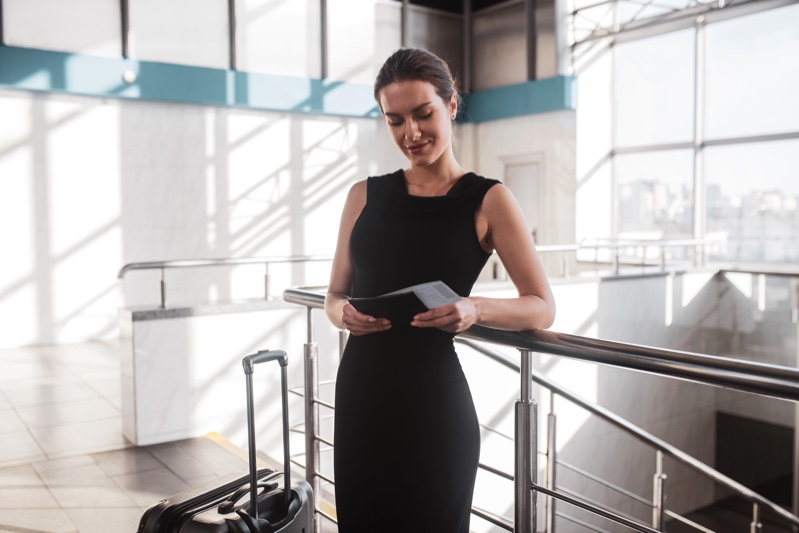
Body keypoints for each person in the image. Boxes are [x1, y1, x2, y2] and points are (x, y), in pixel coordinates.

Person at [324, 48, 556, 532]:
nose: (411, 133)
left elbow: (542, 306)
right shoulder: (362, 195)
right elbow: (333, 295)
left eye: (423, 114)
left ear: (451, 106)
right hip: (360, 403)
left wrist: (474, 309)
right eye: (395, 121)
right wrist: (340, 312)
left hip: (433, 411)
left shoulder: (489, 199)